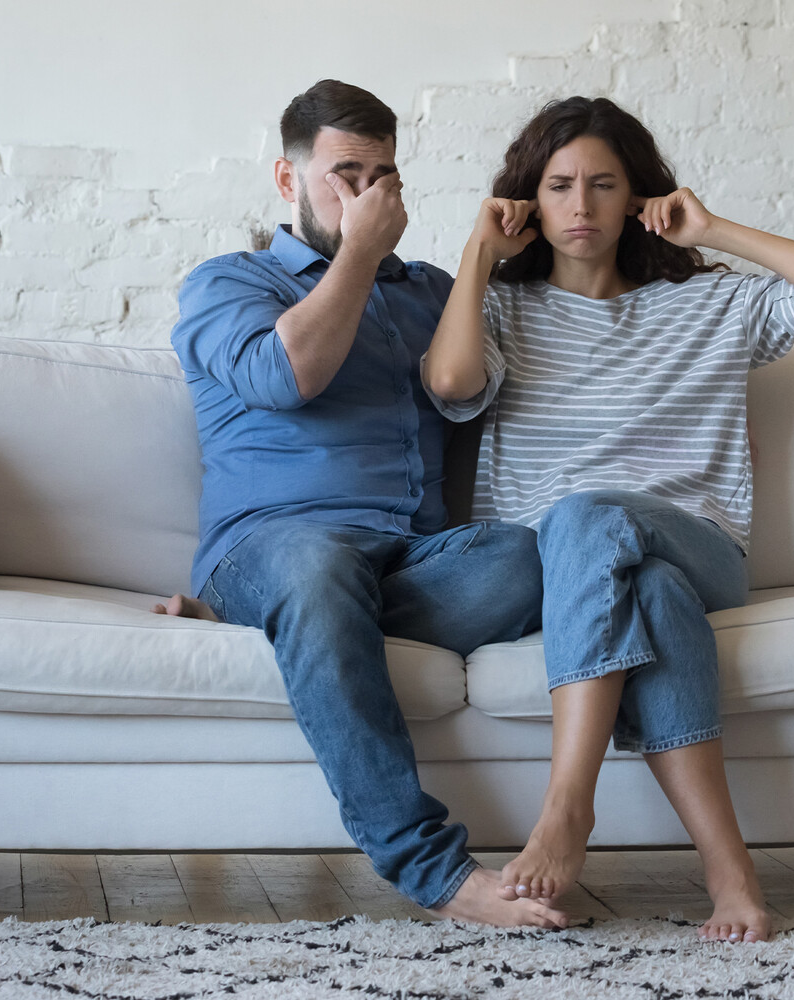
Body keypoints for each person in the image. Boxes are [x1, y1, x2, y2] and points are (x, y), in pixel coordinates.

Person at [421, 96, 794, 944]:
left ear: (637, 197)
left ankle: (568, 805)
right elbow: (450, 384)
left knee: (589, 515)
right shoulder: (503, 310)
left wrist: (712, 229)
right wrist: (479, 252)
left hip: (703, 545)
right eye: (559, 187)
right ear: (528, 201)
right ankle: (730, 873)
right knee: (654, 594)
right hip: (570, 569)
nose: (581, 206)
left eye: (603, 185)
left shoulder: (711, 303)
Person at [165, 79, 567, 930]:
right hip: (274, 545)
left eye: (383, 178)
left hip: (411, 560)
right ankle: (434, 870)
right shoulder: (227, 284)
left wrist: (486, 256)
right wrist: (357, 252)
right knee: (316, 570)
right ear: (287, 179)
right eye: (345, 176)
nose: (368, 196)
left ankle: (294, 627)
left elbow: (473, 397)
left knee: (537, 555)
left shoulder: (427, 293)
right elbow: (288, 376)